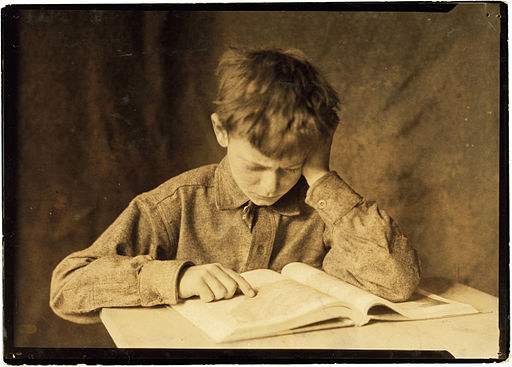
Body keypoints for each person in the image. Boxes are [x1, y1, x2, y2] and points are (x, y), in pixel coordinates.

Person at [50, 48, 421, 324]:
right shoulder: (175, 204)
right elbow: (67, 287)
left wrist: (321, 176)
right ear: (221, 131)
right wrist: (177, 278)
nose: (271, 184)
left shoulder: (323, 210)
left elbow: (397, 282)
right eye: (256, 166)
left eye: (290, 168)